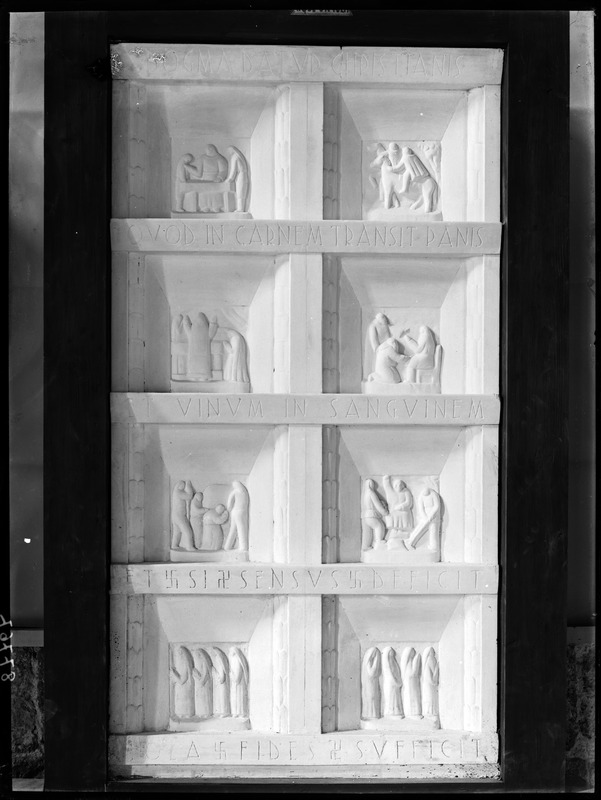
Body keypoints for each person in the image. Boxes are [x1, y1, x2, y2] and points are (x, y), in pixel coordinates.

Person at [183, 312, 218, 380]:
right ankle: (200, 377)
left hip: (197, 357)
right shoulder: (204, 332)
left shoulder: (192, 333)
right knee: (202, 370)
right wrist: (213, 323)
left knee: (198, 370)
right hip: (201, 356)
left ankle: (196, 376)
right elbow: (212, 331)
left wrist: (185, 322)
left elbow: (187, 328)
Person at [361, 479, 388, 550]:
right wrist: (385, 512)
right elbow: (378, 505)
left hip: (366, 515)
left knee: (368, 532)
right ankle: (379, 542)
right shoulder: (371, 493)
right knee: (379, 526)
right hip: (372, 514)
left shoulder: (366, 493)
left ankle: (367, 546)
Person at [223, 481, 250, 551]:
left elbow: (229, 504)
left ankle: (227, 546)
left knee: (233, 529)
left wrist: (229, 509)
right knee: (241, 528)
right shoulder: (245, 492)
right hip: (242, 512)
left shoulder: (235, 492)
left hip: (235, 512)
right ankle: (243, 546)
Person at [171, 480, 195, 550]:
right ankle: (189, 546)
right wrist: (189, 486)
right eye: (182, 485)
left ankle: (174, 545)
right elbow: (189, 496)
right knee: (187, 531)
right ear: (179, 486)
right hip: (179, 516)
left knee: (177, 532)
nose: (183, 486)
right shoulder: (178, 492)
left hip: (175, 516)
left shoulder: (176, 492)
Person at [225, 146, 250, 212]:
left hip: (240, 176)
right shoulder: (239, 157)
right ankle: (241, 208)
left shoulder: (234, 157)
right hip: (243, 175)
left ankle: (240, 209)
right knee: (241, 192)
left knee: (240, 193)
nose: (228, 153)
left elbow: (233, 170)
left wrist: (229, 179)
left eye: (228, 151)